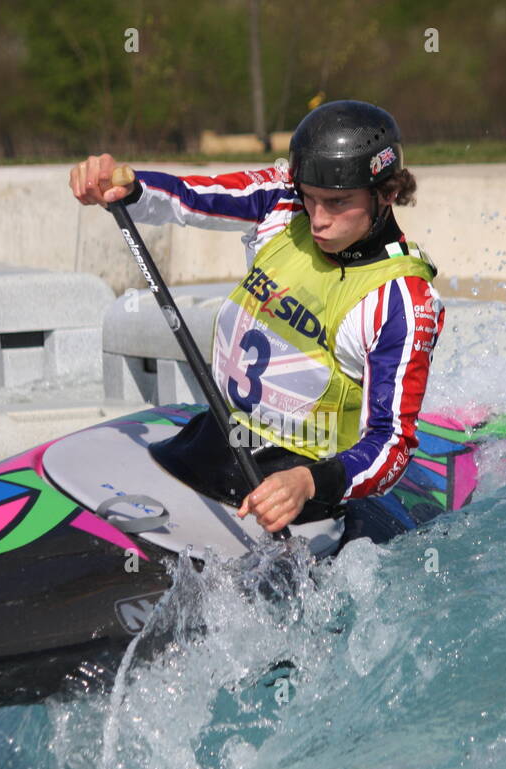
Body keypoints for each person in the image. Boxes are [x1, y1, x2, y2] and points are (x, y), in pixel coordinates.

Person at [70, 100, 444, 535]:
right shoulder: (286, 203)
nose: (318, 219)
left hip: (294, 497)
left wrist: (308, 483)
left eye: (338, 203)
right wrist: (126, 187)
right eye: (311, 197)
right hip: (206, 443)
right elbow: (189, 197)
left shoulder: (401, 300)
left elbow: (391, 445)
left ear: (388, 193)